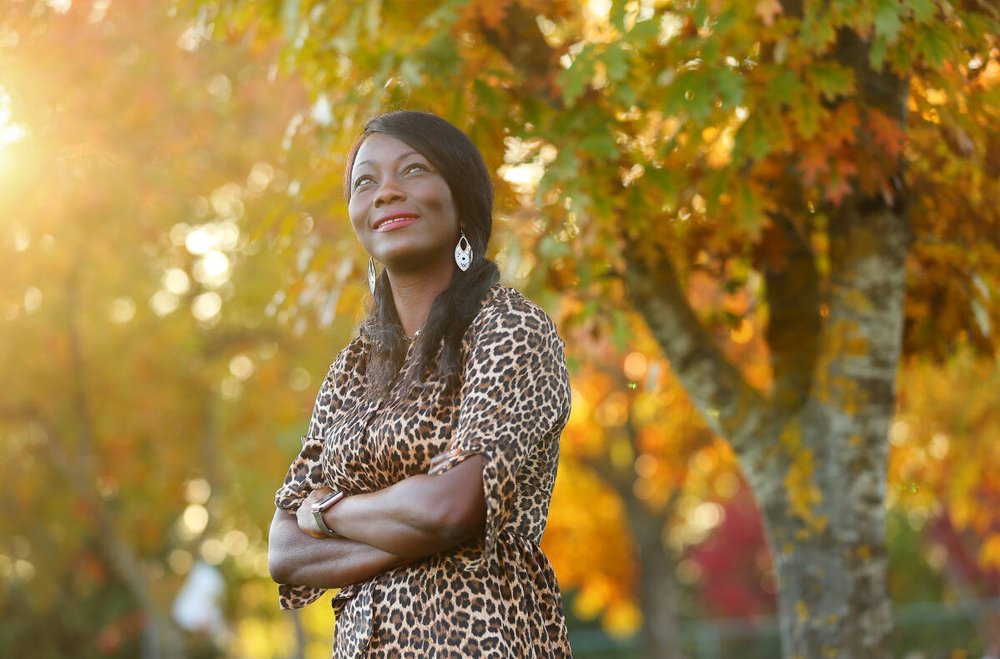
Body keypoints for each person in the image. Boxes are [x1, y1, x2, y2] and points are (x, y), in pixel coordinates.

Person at [267, 110, 574, 657]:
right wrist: (413, 526)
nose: (386, 192)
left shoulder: (509, 329)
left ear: (460, 203)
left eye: (413, 171)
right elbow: (286, 550)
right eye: (366, 181)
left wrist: (328, 512)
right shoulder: (353, 368)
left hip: (481, 640)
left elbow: (448, 510)